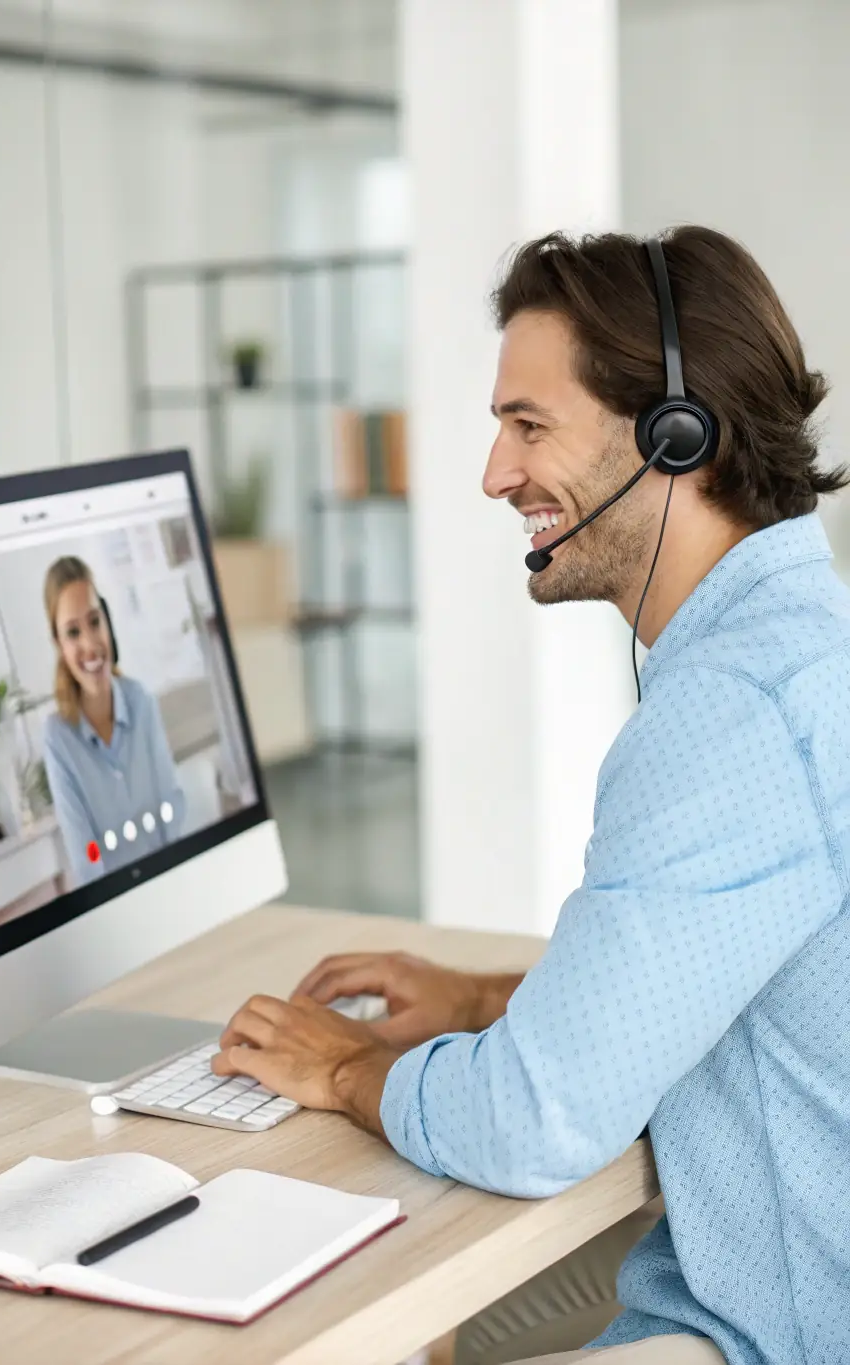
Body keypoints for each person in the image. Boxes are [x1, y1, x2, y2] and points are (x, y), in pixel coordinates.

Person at [209, 227, 850, 1364]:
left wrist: (343, 1067)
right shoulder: (805, 641)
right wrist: (483, 1001)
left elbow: (533, 1122)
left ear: (675, 435)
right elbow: (723, 971)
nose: (494, 475)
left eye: (528, 425)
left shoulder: (732, 711)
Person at [42, 555, 187, 886]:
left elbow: (170, 806)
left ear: (107, 621)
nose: (90, 645)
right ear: (59, 645)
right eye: (73, 632)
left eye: (95, 622)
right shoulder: (58, 737)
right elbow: (86, 853)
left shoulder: (141, 702)